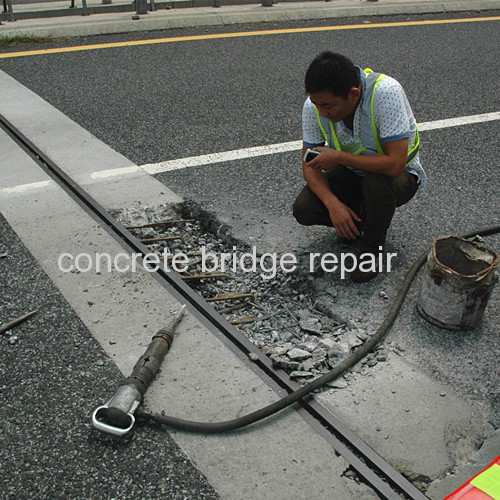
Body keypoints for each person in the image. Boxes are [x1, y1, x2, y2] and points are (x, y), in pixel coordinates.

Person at [293, 52, 426, 282]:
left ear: (353, 95)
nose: (322, 113)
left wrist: (340, 158)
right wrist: (333, 204)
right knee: (305, 208)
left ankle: (372, 249)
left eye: (328, 106)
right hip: (353, 174)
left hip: (397, 177)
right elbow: (309, 164)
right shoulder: (314, 106)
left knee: (376, 182)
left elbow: (395, 165)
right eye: (317, 105)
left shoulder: (386, 93)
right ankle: (359, 222)